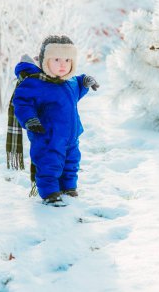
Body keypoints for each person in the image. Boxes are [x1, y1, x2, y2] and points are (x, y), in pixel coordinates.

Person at [13, 35, 99, 206]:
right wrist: (30, 119)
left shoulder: (70, 82)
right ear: (45, 61)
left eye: (67, 60)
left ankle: (68, 188)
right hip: (47, 136)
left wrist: (85, 82)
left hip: (70, 136)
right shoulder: (36, 83)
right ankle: (50, 192)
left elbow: (77, 87)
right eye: (57, 59)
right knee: (49, 164)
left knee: (71, 163)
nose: (62, 64)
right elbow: (22, 102)